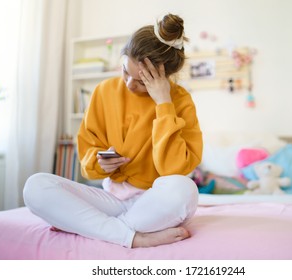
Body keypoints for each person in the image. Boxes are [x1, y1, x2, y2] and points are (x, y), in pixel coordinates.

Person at [23, 13, 203, 248]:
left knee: (185, 189)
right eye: (125, 71)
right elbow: (88, 157)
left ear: (164, 77)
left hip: (156, 204)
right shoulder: (104, 91)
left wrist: (164, 104)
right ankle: (133, 237)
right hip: (110, 199)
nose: (129, 84)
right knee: (36, 186)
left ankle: (95, 227)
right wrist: (101, 163)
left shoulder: (180, 100)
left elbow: (174, 170)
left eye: (141, 81)